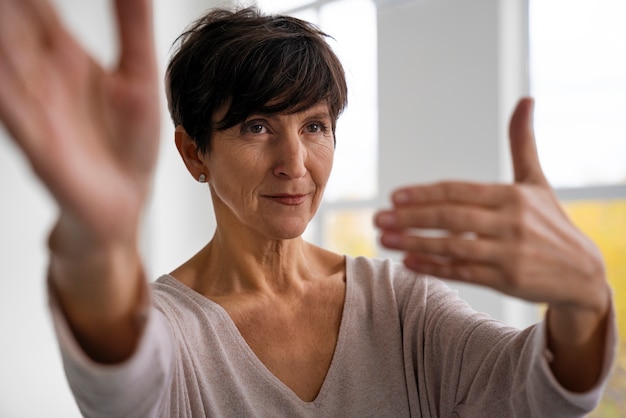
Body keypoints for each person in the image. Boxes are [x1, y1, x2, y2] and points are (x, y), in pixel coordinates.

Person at [0, 0, 616, 416]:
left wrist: (586, 300)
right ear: (194, 153)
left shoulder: (399, 305)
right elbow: (122, 382)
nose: (295, 162)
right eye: (257, 125)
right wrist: (100, 240)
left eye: (316, 126)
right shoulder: (171, 331)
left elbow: (530, 393)